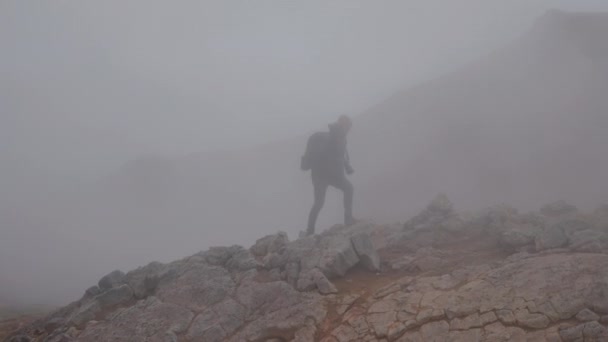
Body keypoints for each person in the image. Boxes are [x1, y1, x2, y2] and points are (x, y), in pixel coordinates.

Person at [301, 115, 355, 236]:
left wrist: (347, 167)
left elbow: (339, 155)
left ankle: (348, 220)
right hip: (323, 175)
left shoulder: (341, 138)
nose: (349, 130)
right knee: (320, 202)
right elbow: (331, 152)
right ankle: (310, 231)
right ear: (343, 125)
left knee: (320, 202)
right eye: (348, 127)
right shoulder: (333, 136)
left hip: (330, 175)